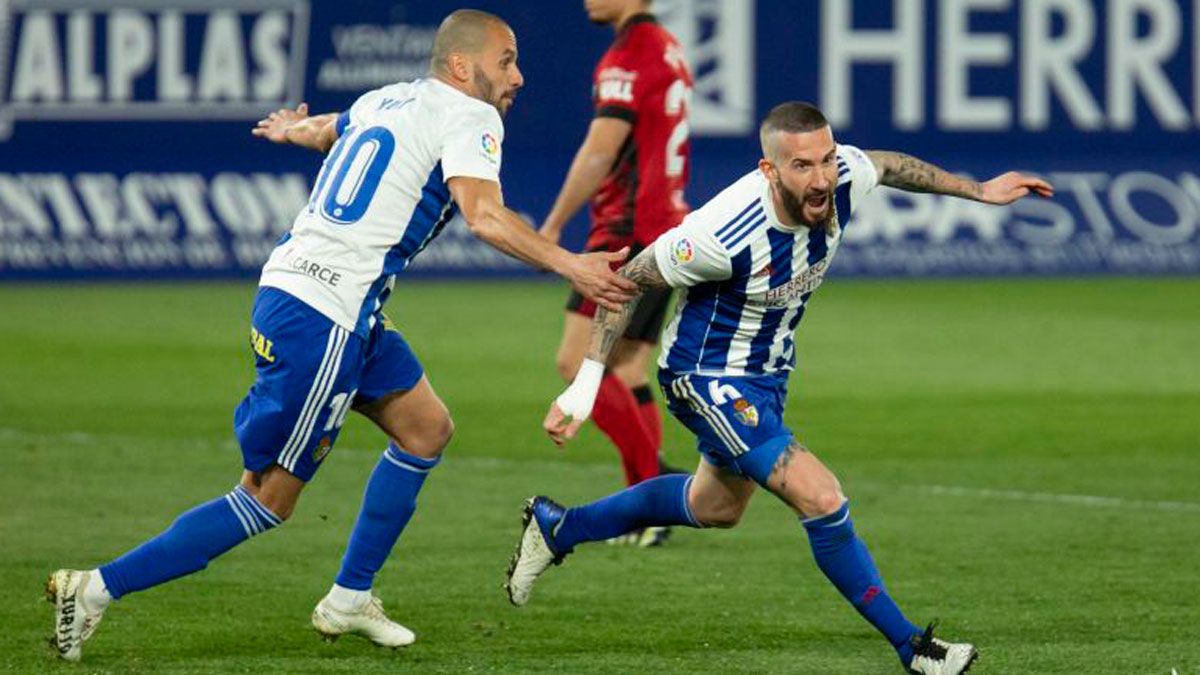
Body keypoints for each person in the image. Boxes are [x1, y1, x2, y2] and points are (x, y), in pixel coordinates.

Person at [45, 9, 638, 662]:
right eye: (506, 60)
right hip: (325, 316)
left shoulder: (386, 98)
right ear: (462, 66)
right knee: (266, 498)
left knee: (426, 427)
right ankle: (96, 587)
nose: (519, 75)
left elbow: (333, 129)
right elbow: (485, 215)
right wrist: (572, 263)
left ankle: (350, 596)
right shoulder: (471, 116)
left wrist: (294, 129)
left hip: (321, 302)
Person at [506, 101, 1054, 674]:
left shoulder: (841, 177)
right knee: (821, 496)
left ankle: (558, 527)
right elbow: (628, 281)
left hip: (767, 376)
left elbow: (891, 165)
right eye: (801, 167)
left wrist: (980, 191)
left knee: (713, 506)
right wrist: (587, 383)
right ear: (770, 171)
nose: (820, 179)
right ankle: (913, 648)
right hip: (703, 376)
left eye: (826, 160)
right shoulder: (720, 233)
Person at [538, 0, 693, 539]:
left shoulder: (629, 56)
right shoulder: (668, 49)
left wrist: (553, 225)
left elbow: (600, 152)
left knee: (573, 362)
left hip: (628, 233)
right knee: (627, 368)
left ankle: (647, 500)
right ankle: (650, 498)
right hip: (668, 229)